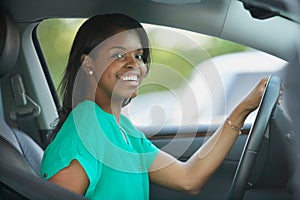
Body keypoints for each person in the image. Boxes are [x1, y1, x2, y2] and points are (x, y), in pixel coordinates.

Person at [40, 13, 269, 199]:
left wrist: (244, 108)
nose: (134, 65)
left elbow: (189, 178)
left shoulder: (124, 130)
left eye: (139, 56)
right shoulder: (86, 127)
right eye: (119, 55)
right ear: (88, 64)